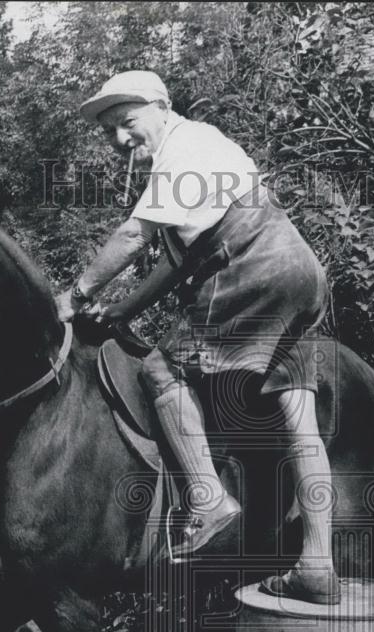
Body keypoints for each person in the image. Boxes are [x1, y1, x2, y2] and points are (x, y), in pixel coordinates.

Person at [56, 70, 340, 604]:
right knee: (296, 411)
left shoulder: (183, 149)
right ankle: (317, 566)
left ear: (162, 108)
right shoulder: (207, 147)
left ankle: (209, 502)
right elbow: (175, 261)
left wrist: (73, 296)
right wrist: (123, 307)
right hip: (297, 271)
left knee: (161, 369)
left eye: (127, 122)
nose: (120, 139)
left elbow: (133, 236)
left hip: (249, 265)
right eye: (110, 130)